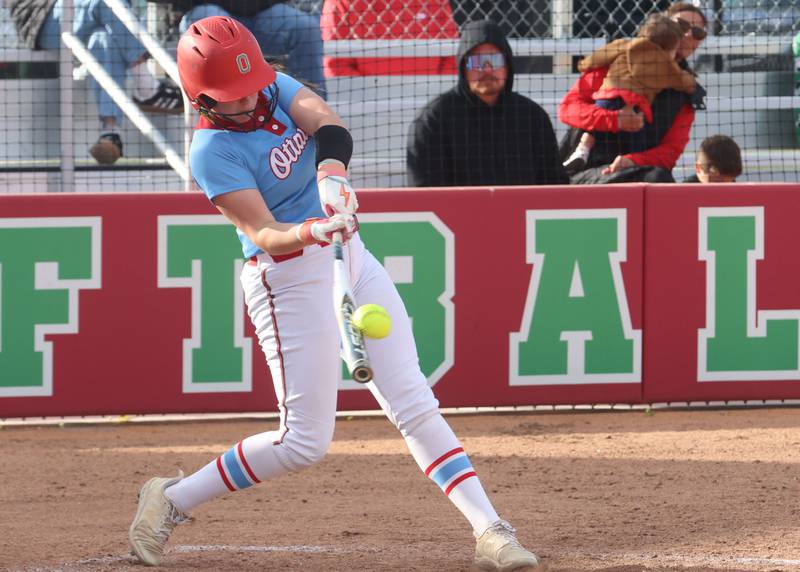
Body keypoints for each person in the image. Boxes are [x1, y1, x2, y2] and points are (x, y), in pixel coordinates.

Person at [127, 16, 543, 571]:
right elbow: (263, 234)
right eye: (234, 95)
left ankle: (491, 531)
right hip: (286, 278)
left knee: (414, 402)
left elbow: (326, 122)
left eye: (254, 85)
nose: (252, 99)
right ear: (202, 98)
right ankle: (171, 498)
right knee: (303, 443)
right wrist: (309, 229)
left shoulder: (271, 85)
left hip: (350, 258)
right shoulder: (211, 153)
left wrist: (331, 175)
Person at [4, 0, 183, 165]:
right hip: (40, 19)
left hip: (82, 12)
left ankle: (110, 133)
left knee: (102, 38)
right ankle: (146, 87)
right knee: (105, 1)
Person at [558, 1, 708, 184]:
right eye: (680, 25)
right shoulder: (616, 60)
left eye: (697, 33)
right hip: (586, 170)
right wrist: (615, 120)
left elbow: (670, 152)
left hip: (635, 171)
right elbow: (568, 109)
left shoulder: (687, 91)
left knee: (658, 179)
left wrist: (631, 161)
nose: (686, 34)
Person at [407, 19, 568, 187]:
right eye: (476, 62)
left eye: (495, 60)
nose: (487, 69)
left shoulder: (532, 117)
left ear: (507, 65)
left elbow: (554, 182)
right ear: (463, 66)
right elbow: (424, 191)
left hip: (520, 212)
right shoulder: (434, 119)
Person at [173, 0, 326, 95]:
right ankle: (217, 106)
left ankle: (315, 109)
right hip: (211, 13)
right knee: (210, 20)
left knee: (306, 28)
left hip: (263, 14)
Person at [320, 0, 459, 76]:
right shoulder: (340, 2)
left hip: (429, 99)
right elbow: (334, 65)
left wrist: (434, 90)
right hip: (365, 101)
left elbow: (452, 57)